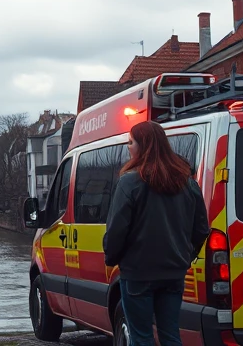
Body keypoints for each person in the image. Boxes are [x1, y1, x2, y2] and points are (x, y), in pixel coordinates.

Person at [103, 121, 210, 346]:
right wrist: (185, 256)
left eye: (131, 143)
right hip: (173, 272)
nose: (128, 147)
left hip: (138, 273)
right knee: (171, 334)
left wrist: (113, 258)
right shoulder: (187, 183)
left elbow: (116, 230)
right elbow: (201, 229)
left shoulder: (129, 183)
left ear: (144, 146)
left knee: (141, 337)